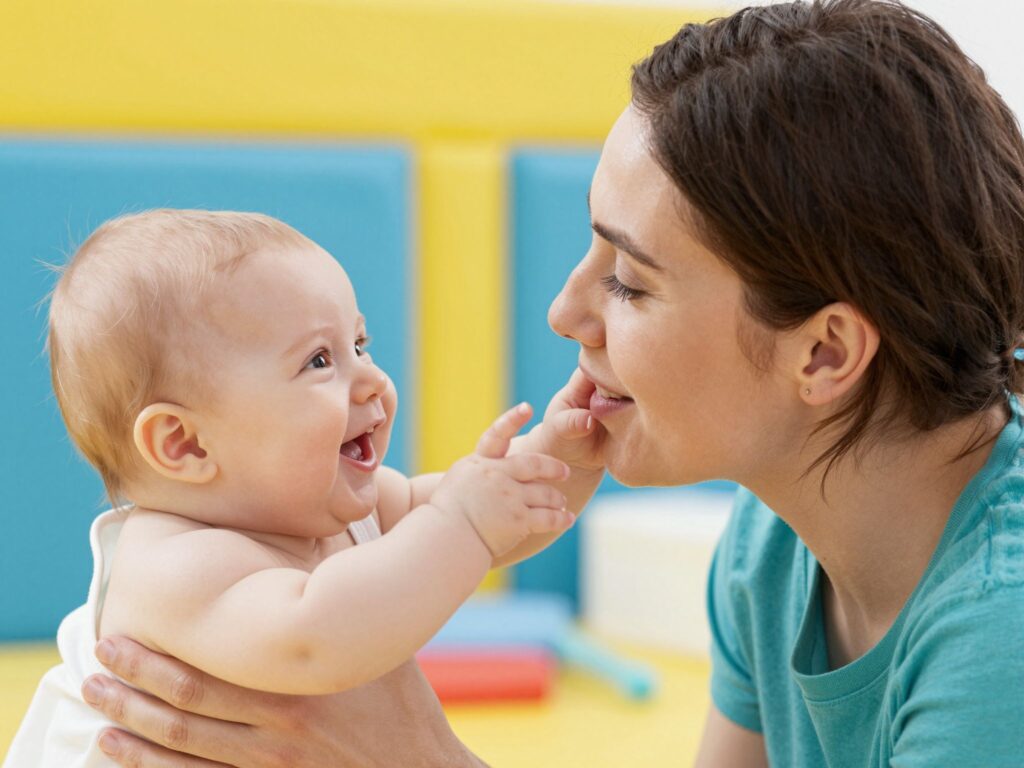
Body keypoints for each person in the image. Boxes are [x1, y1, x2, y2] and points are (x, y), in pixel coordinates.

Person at [75, 0, 1024, 765]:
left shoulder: (998, 646)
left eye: (628, 280)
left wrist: (416, 758)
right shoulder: (777, 544)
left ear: (822, 356)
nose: (565, 313)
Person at [5, 210, 604, 767]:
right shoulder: (172, 564)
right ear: (186, 444)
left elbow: (486, 520)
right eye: (319, 360)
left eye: (360, 345)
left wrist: (562, 455)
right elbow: (316, 640)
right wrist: (465, 521)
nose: (372, 379)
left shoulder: (334, 513)